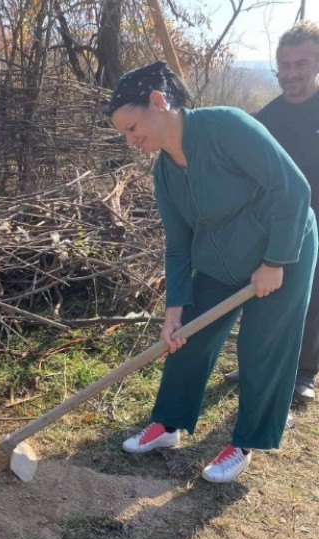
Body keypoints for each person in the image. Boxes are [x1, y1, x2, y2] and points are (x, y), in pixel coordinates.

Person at [109, 61, 318, 483]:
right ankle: (168, 423)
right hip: (221, 260)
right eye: (124, 134)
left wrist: (275, 262)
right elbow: (178, 245)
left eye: (133, 127)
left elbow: (293, 189)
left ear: (157, 102)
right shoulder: (164, 171)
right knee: (187, 337)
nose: (131, 140)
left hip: (283, 250)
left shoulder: (226, 126)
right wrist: (174, 311)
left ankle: (245, 443)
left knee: (263, 349)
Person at [227, 22, 319, 405]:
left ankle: (302, 373)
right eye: (286, 65)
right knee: (263, 297)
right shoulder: (263, 121)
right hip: (273, 226)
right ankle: (256, 364)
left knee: (313, 299)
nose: (293, 73)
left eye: (302, 63)